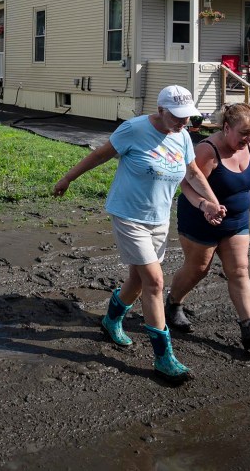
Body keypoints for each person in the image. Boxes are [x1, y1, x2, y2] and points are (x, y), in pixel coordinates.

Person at [52, 85, 226, 383]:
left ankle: (111, 320)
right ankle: (163, 357)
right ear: (160, 110)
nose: (184, 122)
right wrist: (68, 178)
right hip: (128, 215)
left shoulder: (182, 136)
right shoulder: (133, 129)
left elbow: (193, 173)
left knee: (138, 277)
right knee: (155, 282)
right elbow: (101, 155)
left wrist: (210, 202)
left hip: (159, 219)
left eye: (187, 117)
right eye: (177, 116)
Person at [165, 103, 250, 351]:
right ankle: (173, 304)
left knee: (239, 269)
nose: (248, 139)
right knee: (199, 269)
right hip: (200, 219)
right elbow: (186, 185)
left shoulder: (248, 144)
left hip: (237, 220)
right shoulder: (207, 151)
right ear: (226, 127)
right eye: (243, 134)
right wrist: (205, 206)